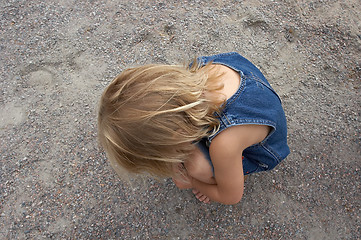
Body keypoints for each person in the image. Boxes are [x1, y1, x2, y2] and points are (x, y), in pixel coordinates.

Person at [98, 52, 290, 205]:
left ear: (177, 135)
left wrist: (193, 181)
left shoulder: (225, 144)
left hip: (262, 148)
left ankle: (233, 172)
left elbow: (231, 196)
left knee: (198, 168)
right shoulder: (196, 72)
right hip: (251, 97)